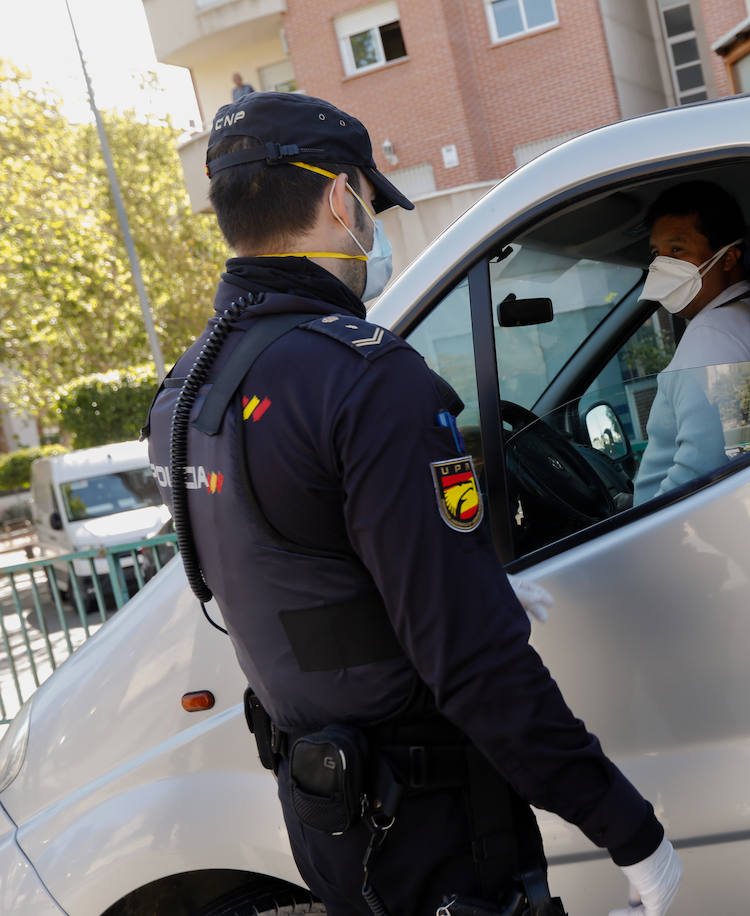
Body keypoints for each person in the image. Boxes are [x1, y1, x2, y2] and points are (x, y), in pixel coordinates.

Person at [144, 91, 681, 916]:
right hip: (433, 825)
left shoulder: (187, 390)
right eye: (368, 199)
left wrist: (463, 583)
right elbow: (472, 663)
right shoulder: (363, 378)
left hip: (330, 818)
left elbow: (301, 571)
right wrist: (629, 831)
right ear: (338, 198)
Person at [632, 182, 750, 504]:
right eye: (657, 253)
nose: (660, 265)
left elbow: (701, 470)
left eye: (677, 250)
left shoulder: (714, 335)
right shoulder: (746, 322)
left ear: (728, 259)